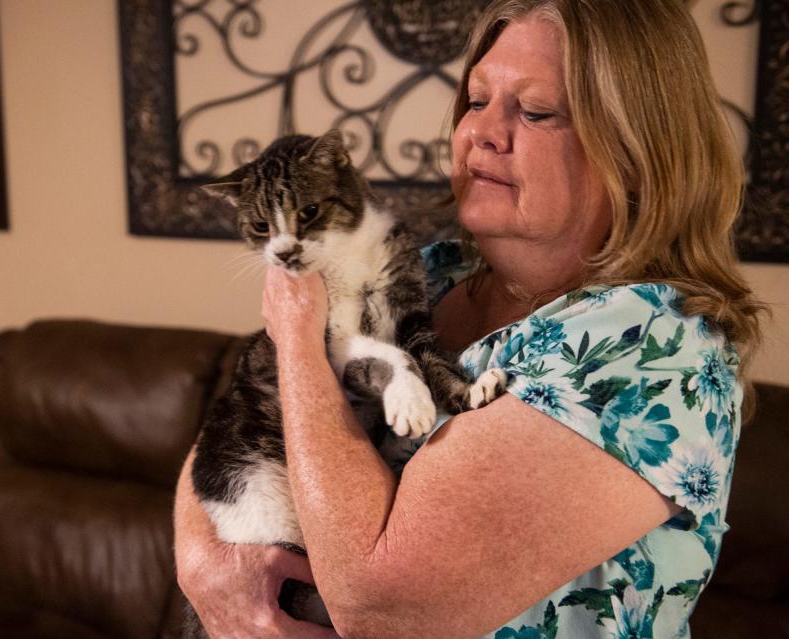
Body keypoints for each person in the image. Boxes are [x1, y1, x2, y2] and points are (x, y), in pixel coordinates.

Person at [174, 0, 768, 636]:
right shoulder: (433, 268)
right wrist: (201, 561)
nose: (481, 132)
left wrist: (296, 338)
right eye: (476, 100)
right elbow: (234, 426)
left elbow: (375, 602)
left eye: (535, 111)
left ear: (635, 150)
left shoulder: (657, 349)